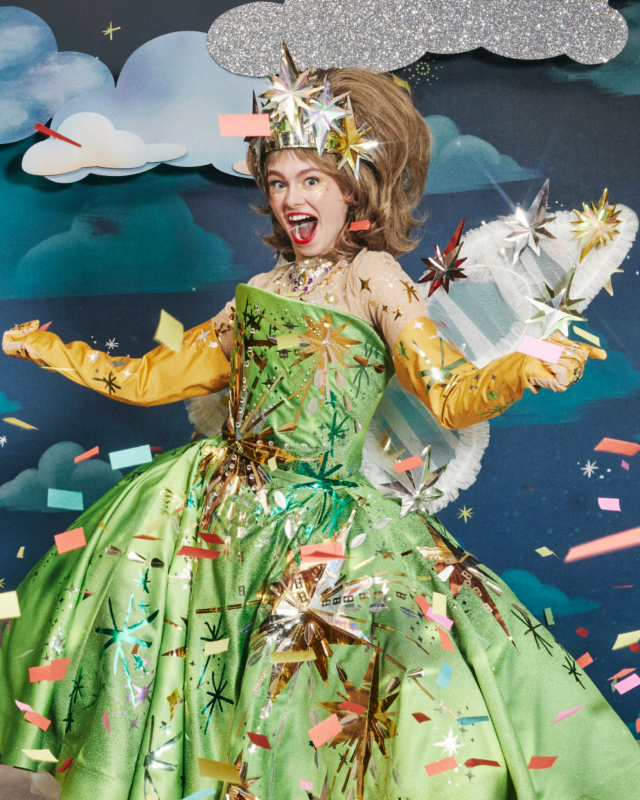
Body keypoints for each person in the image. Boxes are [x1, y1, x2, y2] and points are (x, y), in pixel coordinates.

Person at [1, 44, 639, 800]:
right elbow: (152, 380)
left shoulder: (374, 277)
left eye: (310, 180)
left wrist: (522, 365)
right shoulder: (256, 290)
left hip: (322, 526)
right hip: (210, 518)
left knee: (339, 689)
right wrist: (54, 351)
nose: (290, 198)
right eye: (277, 182)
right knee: (186, 670)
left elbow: (448, 396)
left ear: (352, 187)